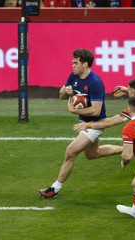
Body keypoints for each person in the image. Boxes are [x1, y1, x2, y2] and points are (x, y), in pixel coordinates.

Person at [37, 49, 123, 198]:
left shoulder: (95, 83)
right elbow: (61, 95)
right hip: (85, 122)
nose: (72, 65)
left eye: (75, 63)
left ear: (85, 64)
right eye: (72, 62)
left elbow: (96, 111)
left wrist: (74, 111)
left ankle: (54, 189)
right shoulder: (74, 76)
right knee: (92, 154)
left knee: (71, 152)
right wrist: (66, 92)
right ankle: (129, 148)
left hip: (95, 124)